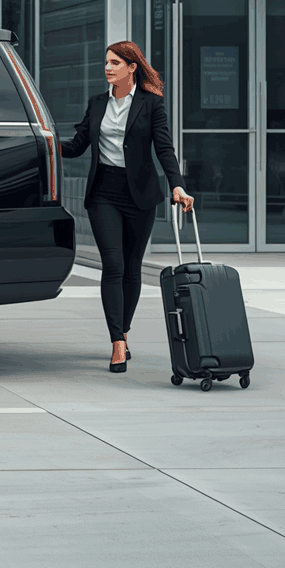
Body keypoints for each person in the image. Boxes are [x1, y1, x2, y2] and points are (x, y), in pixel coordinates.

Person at [60, 40, 194, 373]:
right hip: (103, 193)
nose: (108, 68)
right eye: (106, 62)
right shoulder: (96, 104)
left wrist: (177, 185)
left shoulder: (151, 104)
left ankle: (124, 329)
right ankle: (117, 341)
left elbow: (164, 149)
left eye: (115, 63)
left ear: (132, 67)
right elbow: (76, 146)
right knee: (113, 265)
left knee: (132, 268)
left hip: (140, 196)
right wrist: (44, 141)